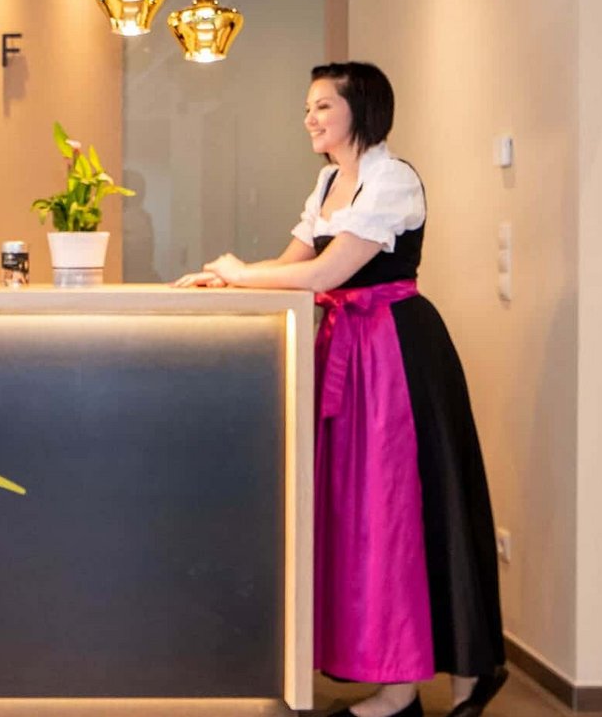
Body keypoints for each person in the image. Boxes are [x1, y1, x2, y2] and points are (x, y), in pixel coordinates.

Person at [175, 62, 507, 717]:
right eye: (308, 107)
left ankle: (442, 677)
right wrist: (229, 279)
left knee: (399, 509)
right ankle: (391, 677)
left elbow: (330, 268)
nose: (310, 118)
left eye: (323, 106)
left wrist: (242, 277)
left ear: (363, 109)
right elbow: (293, 264)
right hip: (349, 352)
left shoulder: (392, 179)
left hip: (396, 355)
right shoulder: (330, 180)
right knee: (355, 511)